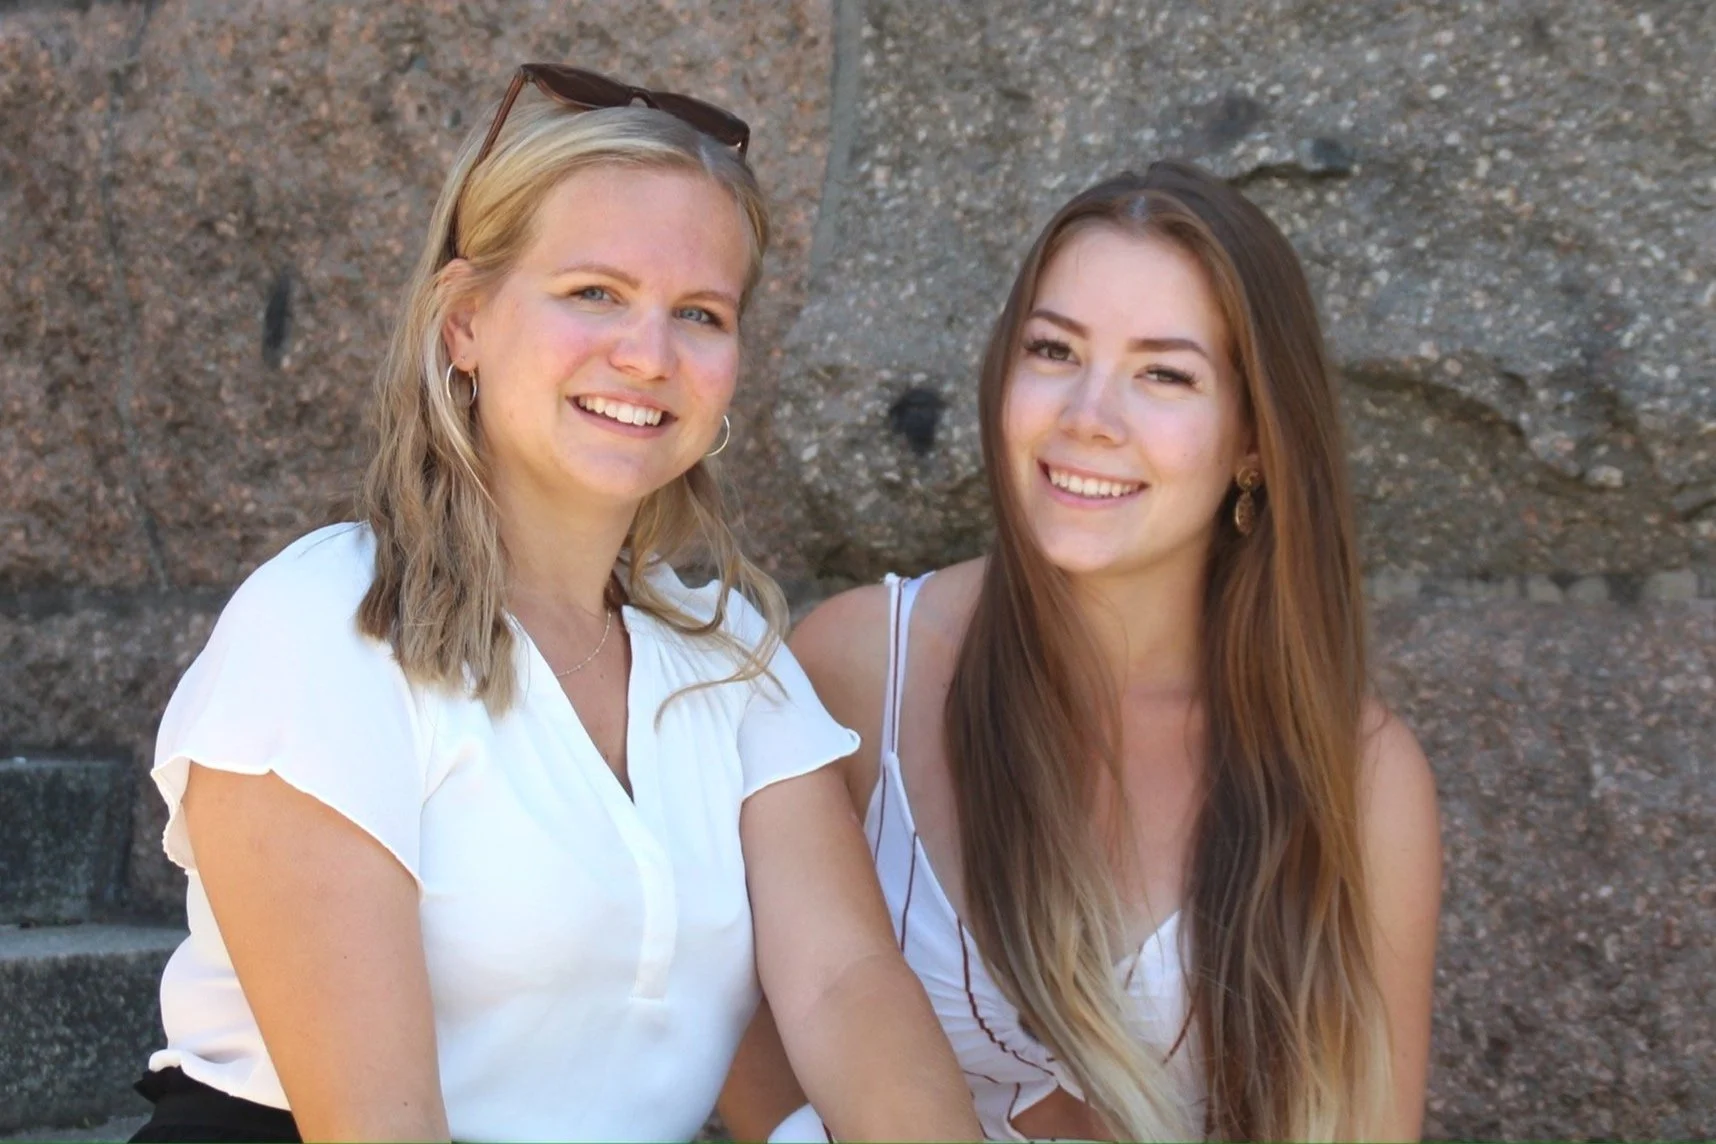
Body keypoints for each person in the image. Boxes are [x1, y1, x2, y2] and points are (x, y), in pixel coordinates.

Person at [131, 65, 979, 1143]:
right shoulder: (326, 626)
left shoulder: (729, 653)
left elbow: (844, 983)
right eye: (595, 293)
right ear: (465, 322)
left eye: (701, 312)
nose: (648, 353)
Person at [721, 161, 1442, 1141]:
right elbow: (755, 1046)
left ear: (1255, 443)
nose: (1088, 415)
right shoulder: (858, 670)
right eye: (1054, 350)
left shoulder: (1354, 773)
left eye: (1164, 373)